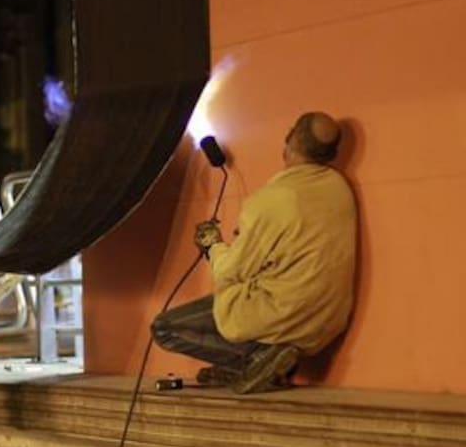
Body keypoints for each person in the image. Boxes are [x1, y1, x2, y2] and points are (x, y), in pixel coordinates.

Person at [152, 111, 357, 393]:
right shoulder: (339, 189)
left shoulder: (273, 200)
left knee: (164, 328)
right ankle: (259, 362)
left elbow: (229, 271)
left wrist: (212, 245)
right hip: (324, 319)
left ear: (291, 138)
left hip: (282, 312)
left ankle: (255, 360)